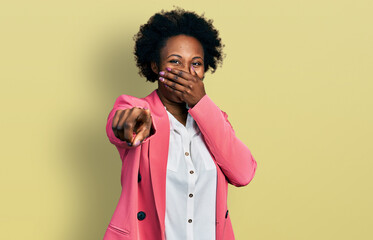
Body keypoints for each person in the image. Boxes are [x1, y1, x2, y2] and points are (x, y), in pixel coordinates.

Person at [103, 8, 257, 240]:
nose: (187, 72)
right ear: (155, 66)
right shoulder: (137, 109)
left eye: (196, 64)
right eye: (175, 61)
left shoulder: (215, 121)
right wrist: (130, 124)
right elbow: (122, 123)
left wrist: (201, 103)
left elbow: (243, 173)